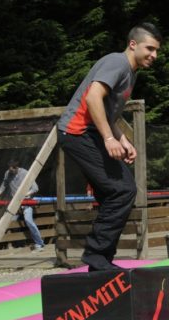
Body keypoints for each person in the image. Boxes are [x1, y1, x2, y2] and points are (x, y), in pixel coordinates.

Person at [57, 23, 162, 271]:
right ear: (133, 44)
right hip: (77, 132)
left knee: (112, 194)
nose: (154, 55)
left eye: (157, 51)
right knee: (123, 190)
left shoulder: (131, 72)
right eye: (150, 48)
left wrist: (122, 139)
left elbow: (106, 111)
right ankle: (96, 256)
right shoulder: (117, 62)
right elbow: (93, 97)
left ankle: (100, 261)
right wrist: (108, 139)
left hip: (91, 132)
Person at [0, 159, 45, 252]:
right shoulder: (8, 173)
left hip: (26, 201)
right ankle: (2, 245)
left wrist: (25, 194)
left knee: (28, 221)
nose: (10, 172)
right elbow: (4, 184)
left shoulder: (25, 173)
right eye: (9, 170)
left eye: (12, 170)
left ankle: (39, 243)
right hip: (15, 202)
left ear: (16, 168)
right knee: (7, 221)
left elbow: (35, 188)